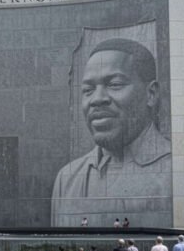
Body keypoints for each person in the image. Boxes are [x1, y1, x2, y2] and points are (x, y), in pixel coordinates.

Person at [52, 38, 171, 226]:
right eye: (88, 90)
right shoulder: (66, 179)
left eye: (114, 84)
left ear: (151, 94)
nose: (97, 99)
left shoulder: (175, 172)